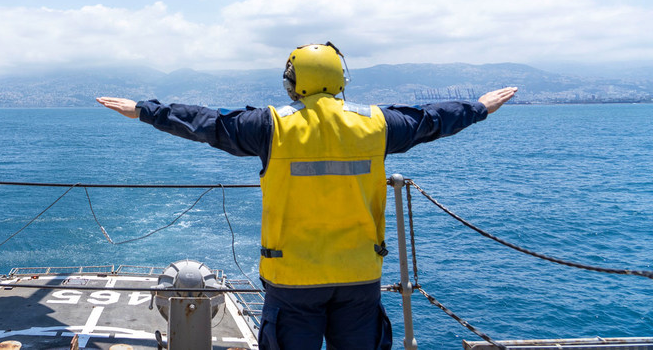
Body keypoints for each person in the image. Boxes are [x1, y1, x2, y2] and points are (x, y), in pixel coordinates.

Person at [97, 42, 517, 350]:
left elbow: (206, 123)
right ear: (339, 79)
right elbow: (430, 119)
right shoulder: (377, 124)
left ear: (293, 83)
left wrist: (144, 109)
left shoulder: (270, 125)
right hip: (359, 273)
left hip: (293, 277)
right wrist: (479, 107)